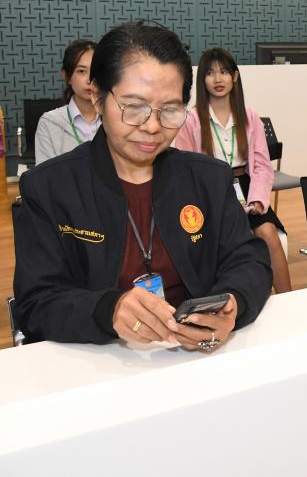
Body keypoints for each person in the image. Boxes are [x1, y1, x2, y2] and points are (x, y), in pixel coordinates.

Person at [13, 22, 272, 351]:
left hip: (194, 358)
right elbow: (36, 302)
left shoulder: (208, 178)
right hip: (97, 361)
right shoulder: (49, 187)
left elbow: (250, 260)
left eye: (170, 110)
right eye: (134, 107)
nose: (152, 126)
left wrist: (233, 304)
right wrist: (108, 310)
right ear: (98, 97)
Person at [175, 47, 291, 294]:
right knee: (240, 237)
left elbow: (261, 165)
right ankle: (247, 298)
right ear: (202, 79)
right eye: (210, 73)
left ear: (235, 77)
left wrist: (257, 199)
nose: (218, 79)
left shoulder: (249, 116)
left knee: (268, 232)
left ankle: (289, 300)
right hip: (210, 190)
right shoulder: (191, 120)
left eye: (224, 72)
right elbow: (185, 171)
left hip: (245, 185)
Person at [34, 39, 100, 164]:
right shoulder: (49, 123)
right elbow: (45, 173)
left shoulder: (114, 117)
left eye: (94, 71)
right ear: (66, 76)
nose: (89, 80)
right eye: (81, 71)